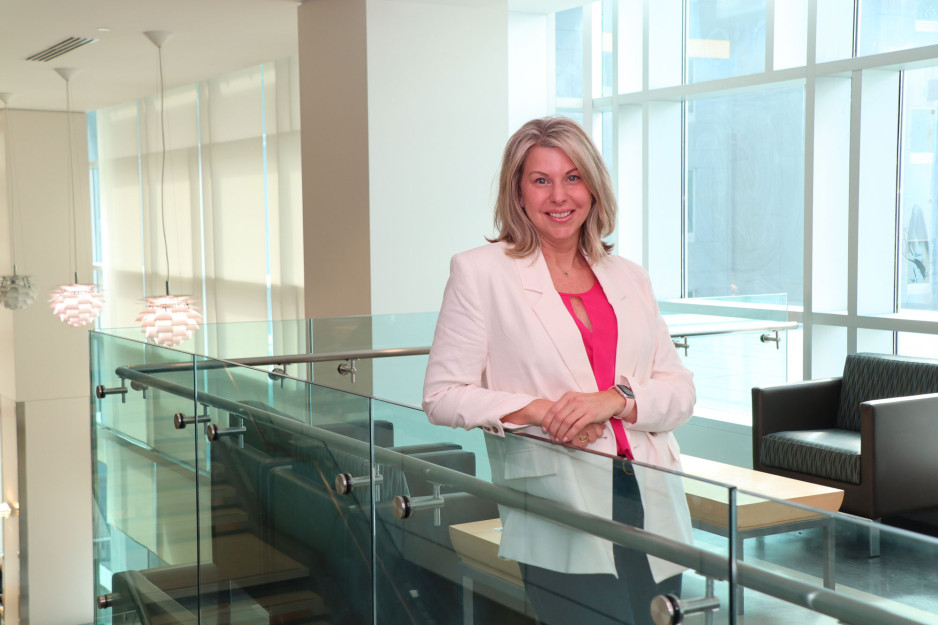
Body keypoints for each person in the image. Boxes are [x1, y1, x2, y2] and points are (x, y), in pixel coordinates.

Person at [422, 116, 695, 625]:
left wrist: (617, 398)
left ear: (593, 187)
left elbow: (679, 390)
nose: (559, 196)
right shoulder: (480, 272)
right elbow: (442, 394)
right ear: (518, 192)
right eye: (540, 180)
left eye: (573, 177)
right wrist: (541, 411)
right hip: (558, 499)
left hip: (651, 495)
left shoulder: (630, 277)